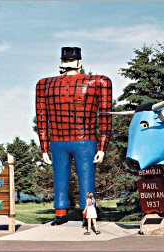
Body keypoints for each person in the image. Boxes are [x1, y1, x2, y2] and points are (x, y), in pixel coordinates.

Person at [35, 47, 112, 226]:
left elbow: (41, 118)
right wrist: (102, 146)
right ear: (80, 63)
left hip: (58, 140)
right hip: (84, 140)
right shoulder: (99, 82)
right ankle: (87, 215)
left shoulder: (44, 84)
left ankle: (60, 214)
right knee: (87, 178)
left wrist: (44, 147)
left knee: (60, 178)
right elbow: (106, 116)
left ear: (62, 63)